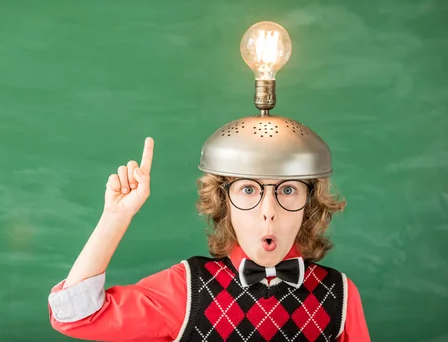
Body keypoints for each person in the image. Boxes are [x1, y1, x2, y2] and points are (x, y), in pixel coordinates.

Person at [47, 135, 370, 341]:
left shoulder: (339, 294)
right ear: (223, 203)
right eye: (248, 189)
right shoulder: (186, 289)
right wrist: (115, 217)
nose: (268, 211)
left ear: (309, 204)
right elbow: (75, 316)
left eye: (287, 190)